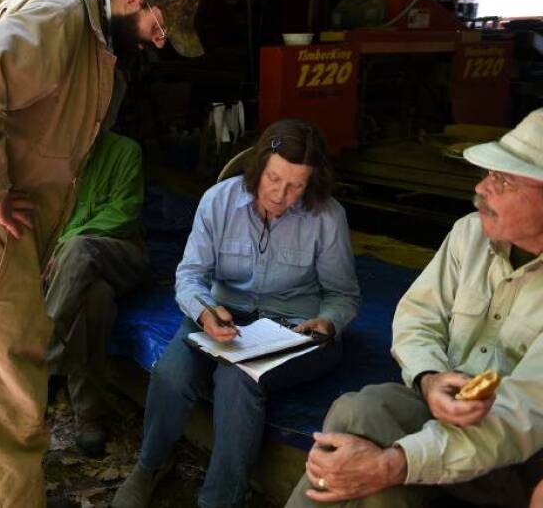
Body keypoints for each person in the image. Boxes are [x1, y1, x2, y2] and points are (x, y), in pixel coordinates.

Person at [0, 0, 202, 508]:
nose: (156, 41)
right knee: (10, 380)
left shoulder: (87, 31)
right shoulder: (62, 16)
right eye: (157, 26)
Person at [285, 108, 543, 508]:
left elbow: (516, 421)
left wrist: (394, 463)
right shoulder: (470, 234)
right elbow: (418, 316)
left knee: (376, 472)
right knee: (361, 412)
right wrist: (429, 377)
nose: (482, 188)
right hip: (439, 417)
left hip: (513, 456)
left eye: (503, 179)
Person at [113, 119, 361, 508]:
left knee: (237, 378)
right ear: (259, 166)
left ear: (312, 184)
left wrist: (328, 321)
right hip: (222, 317)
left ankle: (220, 499)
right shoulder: (219, 200)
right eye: (274, 178)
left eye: (297, 185)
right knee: (171, 373)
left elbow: (343, 295)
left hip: (294, 329)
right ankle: (150, 466)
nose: (281, 194)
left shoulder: (327, 216)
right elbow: (190, 276)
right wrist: (206, 312)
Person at [44, 131, 149, 458]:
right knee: (96, 298)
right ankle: (90, 414)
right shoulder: (50, 156)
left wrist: (66, 242)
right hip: (71, 274)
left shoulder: (125, 150)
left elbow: (123, 214)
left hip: (120, 254)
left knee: (77, 250)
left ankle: (41, 363)